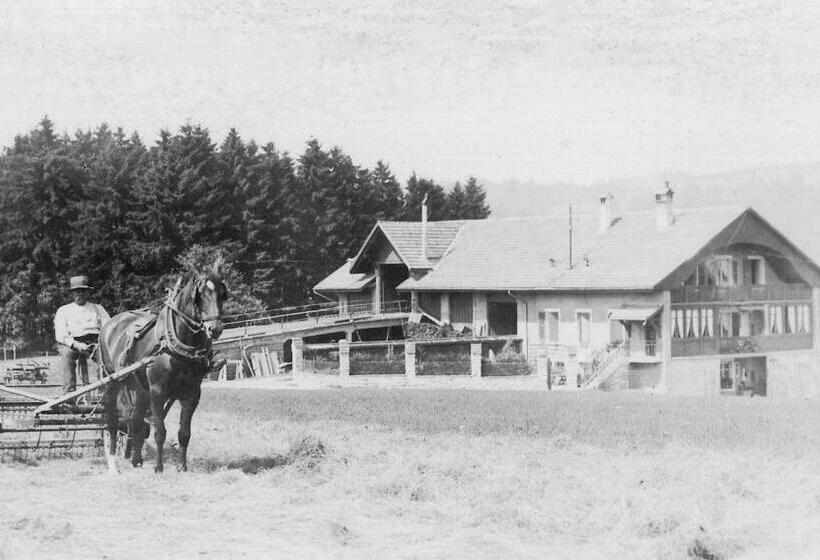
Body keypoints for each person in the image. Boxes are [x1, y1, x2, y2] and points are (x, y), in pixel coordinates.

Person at [54, 275, 111, 394]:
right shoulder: (64, 310)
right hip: (73, 344)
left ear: (88, 292)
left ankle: (105, 392)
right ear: (72, 294)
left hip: (96, 343)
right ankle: (69, 394)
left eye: (83, 291)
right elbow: (61, 334)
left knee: (106, 358)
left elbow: (108, 328)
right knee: (67, 356)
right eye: (77, 291)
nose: (80, 294)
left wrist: (100, 344)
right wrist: (77, 345)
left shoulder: (98, 309)